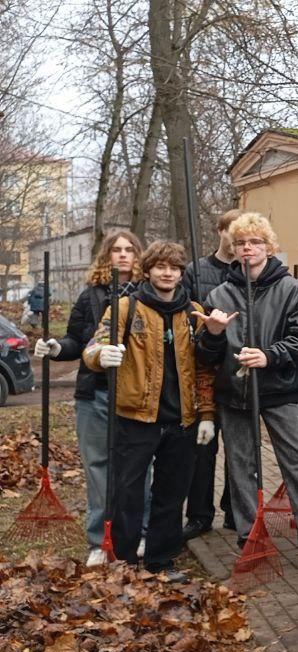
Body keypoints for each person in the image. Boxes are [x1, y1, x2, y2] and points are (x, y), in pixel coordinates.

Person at [195, 213, 298, 570]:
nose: (247, 248)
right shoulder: (219, 294)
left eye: (254, 242)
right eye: (241, 243)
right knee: (241, 468)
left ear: (269, 247)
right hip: (235, 395)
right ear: (233, 249)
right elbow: (204, 355)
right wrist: (214, 333)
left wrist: (269, 355)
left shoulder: (292, 291)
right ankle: (251, 539)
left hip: (280, 392)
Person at [84, 241, 216, 575]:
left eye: (174, 268)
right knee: (127, 493)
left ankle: (161, 559)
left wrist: (207, 414)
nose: (167, 273)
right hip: (136, 417)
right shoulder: (126, 307)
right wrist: (102, 356)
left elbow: (204, 367)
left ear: (181, 273)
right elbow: (93, 346)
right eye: (160, 267)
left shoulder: (193, 312)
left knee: (170, 496)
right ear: (148, 270)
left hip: (181, 421)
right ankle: (125, 561)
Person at [32, 229, 142, 565]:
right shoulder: (91, 296)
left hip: (136, 396)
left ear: (138, 256)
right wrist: (55, 348)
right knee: (97, 467)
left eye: (129, 250)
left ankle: (141, 532)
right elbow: (75, 342)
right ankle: (100, 538)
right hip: (94, 394)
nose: (123, 255)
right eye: (116, 250)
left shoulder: (147, 294)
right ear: (106, 255)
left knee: (138, 468)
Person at [181, 208, 243, 539]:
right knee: (202, 447)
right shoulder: (197, 270)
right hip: (204, 366)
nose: (235, 238)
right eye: (230, 231)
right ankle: (199, 513)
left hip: (237, 369)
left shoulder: (248, 272)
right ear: (220, 231)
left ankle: (235, 507)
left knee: (238, 447)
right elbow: (186, 310)